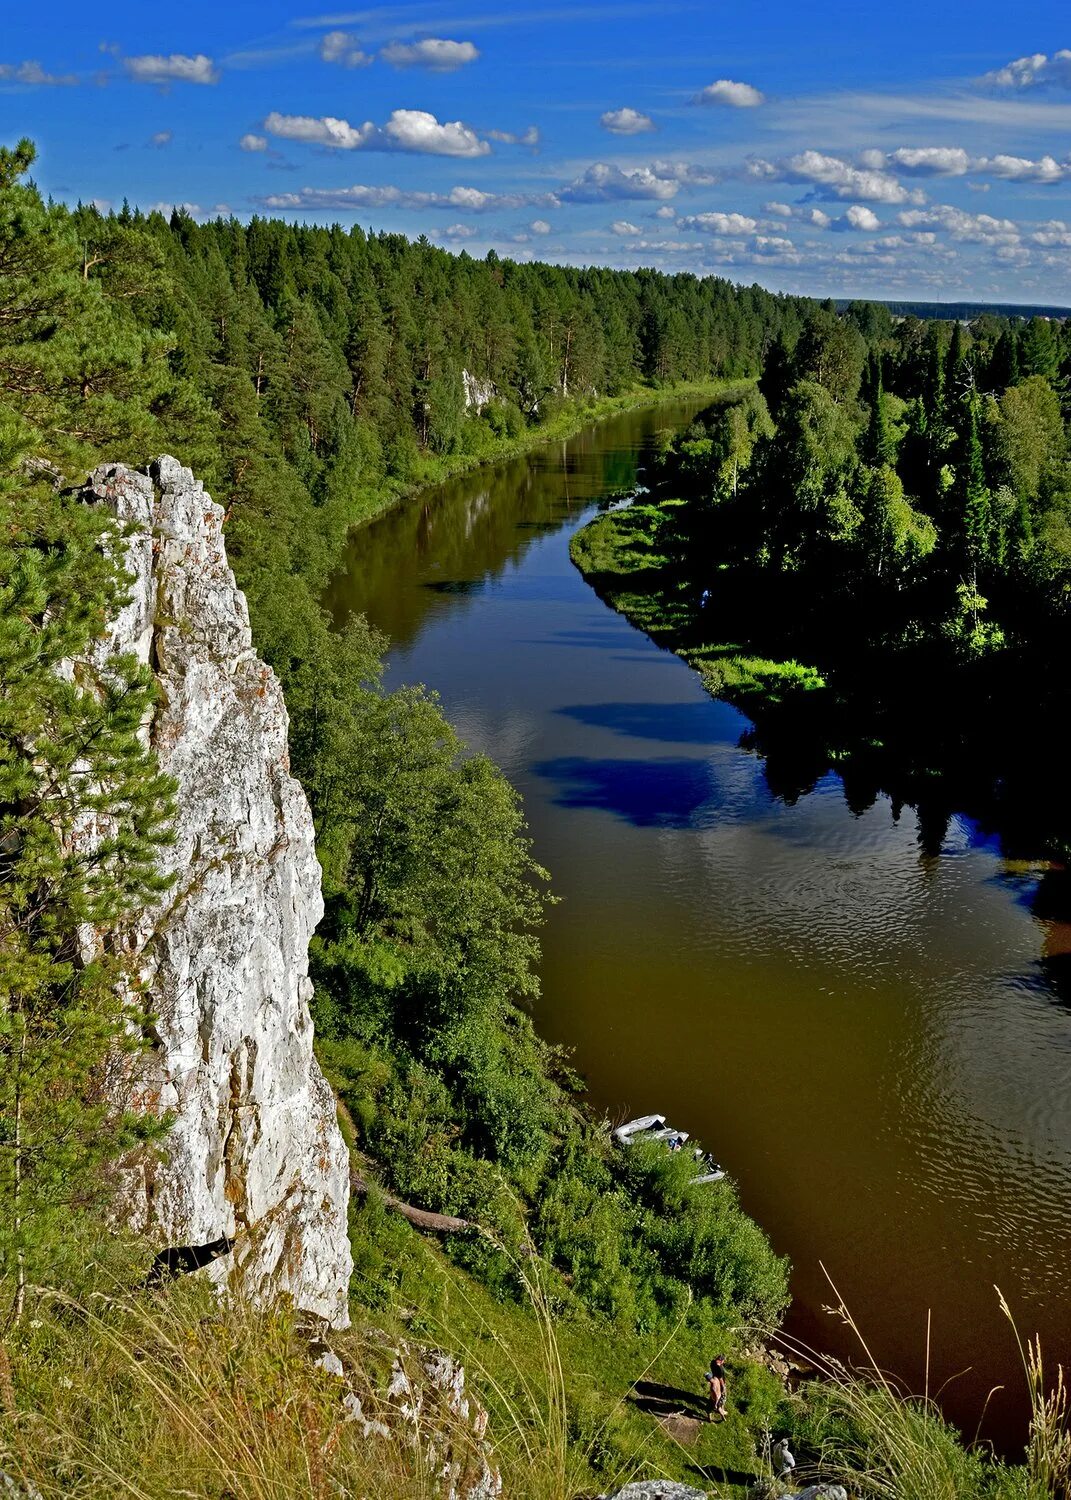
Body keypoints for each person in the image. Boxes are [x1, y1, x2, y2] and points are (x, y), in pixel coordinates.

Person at [705, 1354, 728, 1421]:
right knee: (723, 1397)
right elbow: (721, 1379)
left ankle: (711, 1413)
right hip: (719, 1382)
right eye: (723, 1360)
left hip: (715, 1378)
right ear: (721, 1361)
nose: (724, 1362)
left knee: (712, 1399)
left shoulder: (712, 1362)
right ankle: (721, 1409)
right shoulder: (720, 1368)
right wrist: (723, 1387)